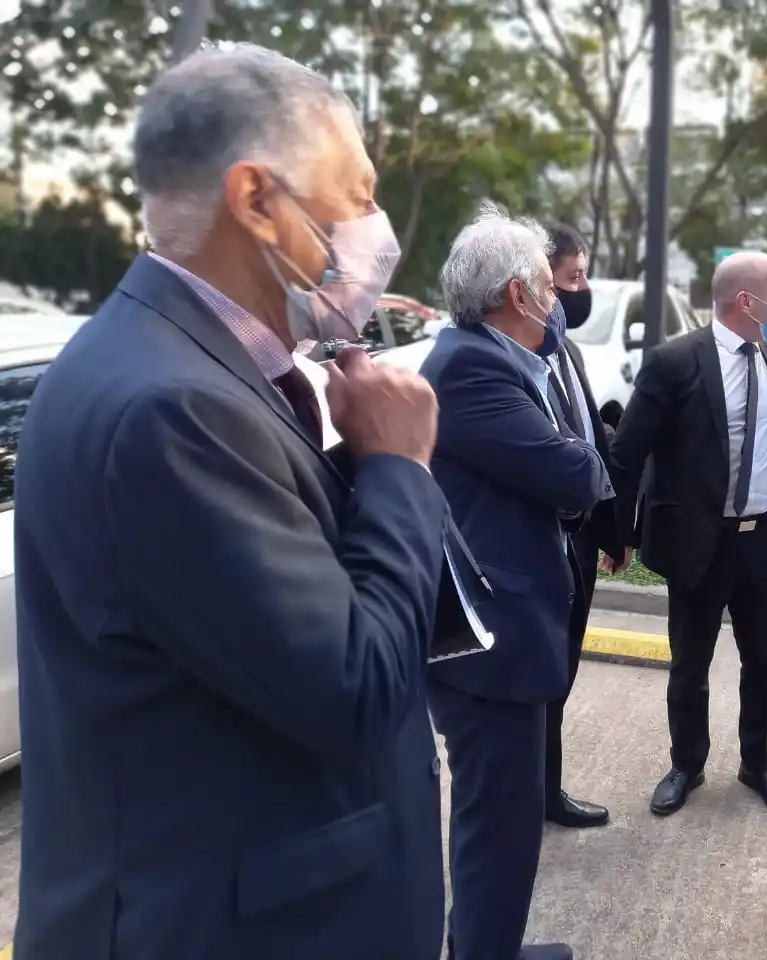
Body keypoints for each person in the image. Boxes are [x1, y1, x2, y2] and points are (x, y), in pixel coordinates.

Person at [13, 45, 450, 960]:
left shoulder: (165, 360)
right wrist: (399, 467)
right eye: (357, 191)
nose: (375, 226)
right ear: (257, 200)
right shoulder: (171, 405)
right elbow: (354, 686)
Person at [423, 203, 614, 960]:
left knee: (500, 817)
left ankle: (482, 944)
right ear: (516, 292)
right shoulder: (470, 366)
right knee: (496, 822)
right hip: (489, 647)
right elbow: (579, 471)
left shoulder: (502, 358)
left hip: (502, 631)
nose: (560, 295)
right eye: (547, 280)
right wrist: (577, 455)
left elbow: (571, 466)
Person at [610, 251, 767, 816]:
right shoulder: (674, 361)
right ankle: (686, 764)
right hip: (698, 541)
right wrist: (616, 534)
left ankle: (757, 762)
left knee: (764, 661)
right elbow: (626, 454)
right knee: (689, 665)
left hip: (762, 539)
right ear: (747, 300)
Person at [541, 220, 627, 829]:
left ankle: (547, 787)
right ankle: (532, 791)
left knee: (563, 669)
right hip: (543, 545)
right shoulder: (509, 361)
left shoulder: (566, 349)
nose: (583, 288)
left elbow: (592, 438)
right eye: (574, 277)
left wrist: (614, 526)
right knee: (540, 675)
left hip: (582, 540)